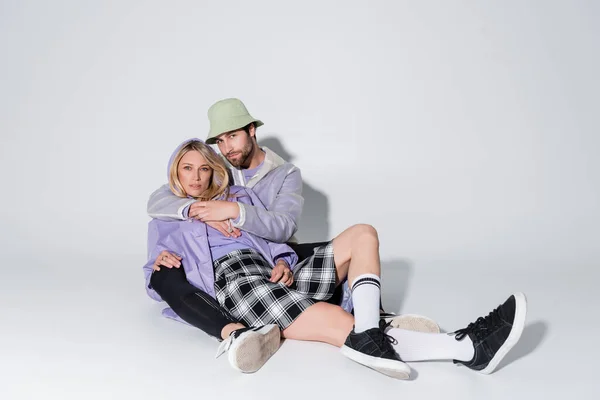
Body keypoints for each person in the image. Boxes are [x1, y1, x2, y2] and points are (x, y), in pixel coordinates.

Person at [143, 138, 527, 379]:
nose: (195, 176)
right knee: (343, 324)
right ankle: (465, 347)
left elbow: (274, 237)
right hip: (237, 283)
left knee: (362, 234)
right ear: (176, 173)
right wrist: (163, 261)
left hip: (278, 273)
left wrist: (280, 259)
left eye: (203, 168)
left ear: (214, 172)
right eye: (187, 168)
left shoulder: (238, 200)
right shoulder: (168, 216)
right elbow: (159, 275)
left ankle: (372, 327)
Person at [145, 99, 440, 371]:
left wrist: (235, 212)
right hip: (236, 277)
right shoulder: (202, 185)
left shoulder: (277, 177)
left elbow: (280, 230)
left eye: (232, 136)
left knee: (363, 235)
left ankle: (372, 319)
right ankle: (400, 333)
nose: (227, 147)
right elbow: (161, 202)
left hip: (277, 256)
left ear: (251, 131)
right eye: (220, 141)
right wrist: (198, 210)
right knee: (331, 317)